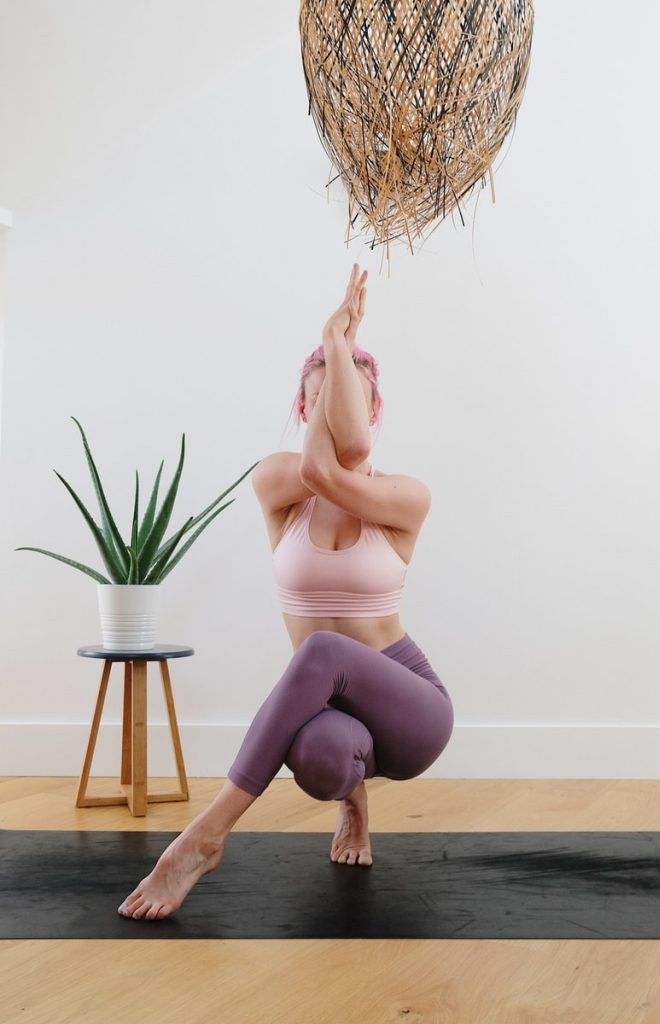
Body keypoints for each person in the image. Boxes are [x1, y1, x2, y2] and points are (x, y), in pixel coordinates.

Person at [117, 265, 454, 921]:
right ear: (302, 410)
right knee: (320, 757)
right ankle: (351, 800)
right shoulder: (277, 483)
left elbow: (342, 455)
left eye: (348, 399)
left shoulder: (404, 497)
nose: (333, 410)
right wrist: (336, 353)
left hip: (411, 710)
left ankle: (203, 838)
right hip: (330, 715)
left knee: (322, 648)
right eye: (319, 400)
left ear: (374, 411)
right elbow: (319, 466)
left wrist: (334, 344)